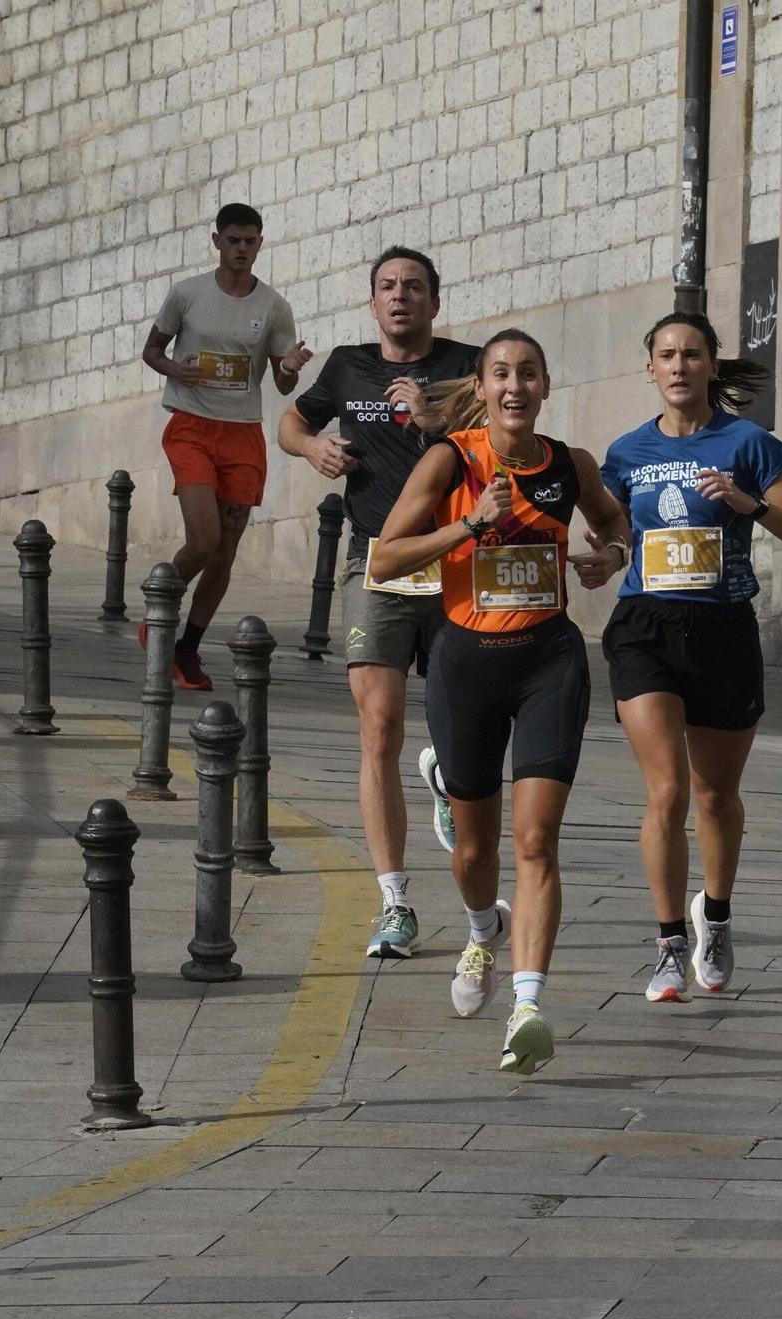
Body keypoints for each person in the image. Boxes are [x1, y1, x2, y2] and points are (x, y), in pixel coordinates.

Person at [369, 329, 628, 1074]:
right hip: (465, 664)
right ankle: (483, 930)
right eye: (501, 374)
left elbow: (615, 524)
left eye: (529, 374)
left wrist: (606, 557)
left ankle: (528, 1005)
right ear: (480, 388)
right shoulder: (451, 458)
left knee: (536, 841)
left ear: (545, 386)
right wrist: (468, 524)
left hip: (549, 660)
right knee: (477, 849)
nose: (515, 386)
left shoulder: (569, 465)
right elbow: (385, 557)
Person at [600, 312, 782, 1003]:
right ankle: (667, 944)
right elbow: (612, 532)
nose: (679, 366)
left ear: (711, 367)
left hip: (723, 628)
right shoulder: (626, 451)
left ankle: (714, 917)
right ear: (650, 367)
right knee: (665, 790)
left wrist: (748, 504)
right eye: (666, 354)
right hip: (645, 627)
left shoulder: (747, 443)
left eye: (692, 354)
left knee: (716, 795)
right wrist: (601, 557)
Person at [281, 245, 477, 961]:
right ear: (373, 304)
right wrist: (313, 450)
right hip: (375, 560)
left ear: (435, 299)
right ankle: (394, 902)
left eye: (414, 287)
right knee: (379, 729)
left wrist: (434, 419)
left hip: (456, 557)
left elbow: (498, 446)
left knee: (466, 717)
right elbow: (289, 424)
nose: (401, 297)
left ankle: (447, 776)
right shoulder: (346, 365)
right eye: (388, 287)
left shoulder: (470, 364)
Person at [140, 202, 314, 690]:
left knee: (225, 552)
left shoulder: (274, 307)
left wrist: (289, 367)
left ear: (260, 244)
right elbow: (152, 350)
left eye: (251, 241)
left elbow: (281, 384)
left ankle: (186, 649)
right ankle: (159, 605)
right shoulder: (187, 294)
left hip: (242, 433)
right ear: (216, 241)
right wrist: (176, 369)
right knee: (204, 539)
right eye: (234, 240)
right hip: (192, 426)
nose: (242, 249)